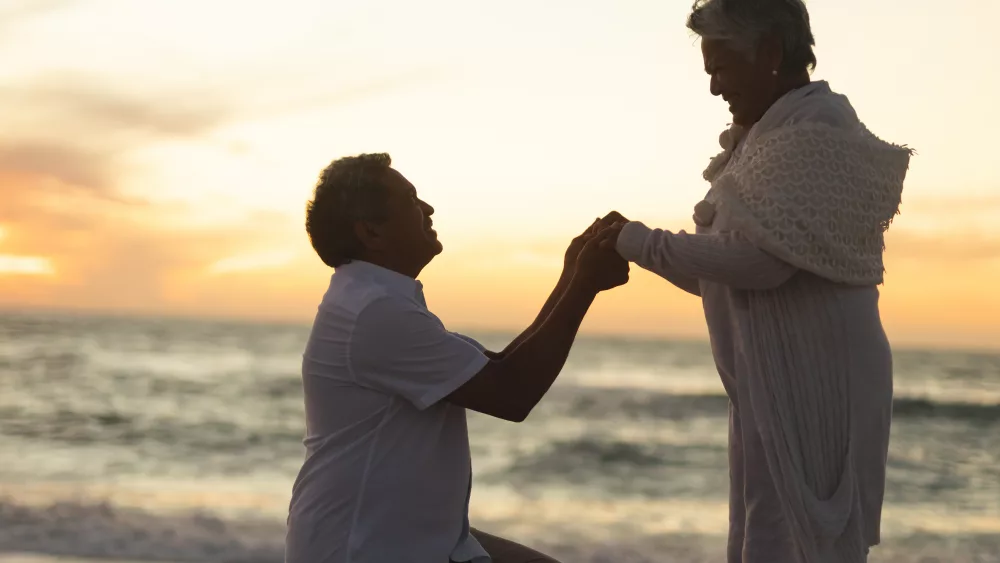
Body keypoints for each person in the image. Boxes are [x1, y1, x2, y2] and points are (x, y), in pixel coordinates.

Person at [596, 1, 912, 561]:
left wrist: (640, 241)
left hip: (817, 382)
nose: (715, 88)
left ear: (769, 53)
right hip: (770, 377)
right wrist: (640, 248)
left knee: (796, 540)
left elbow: (762, 264)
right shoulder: (766, 136)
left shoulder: (817, 129)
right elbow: (720, 277)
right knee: (764, 533)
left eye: (721, 68)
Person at [284, 152, 629, 563]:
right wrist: (583, 285)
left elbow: (500, 367)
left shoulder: (375, 301)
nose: (428, 209)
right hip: (364, 547)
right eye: (411, 200)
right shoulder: (374, 312)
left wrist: (573, 272)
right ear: (371, 232)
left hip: (409, 534)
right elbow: (513, 394)